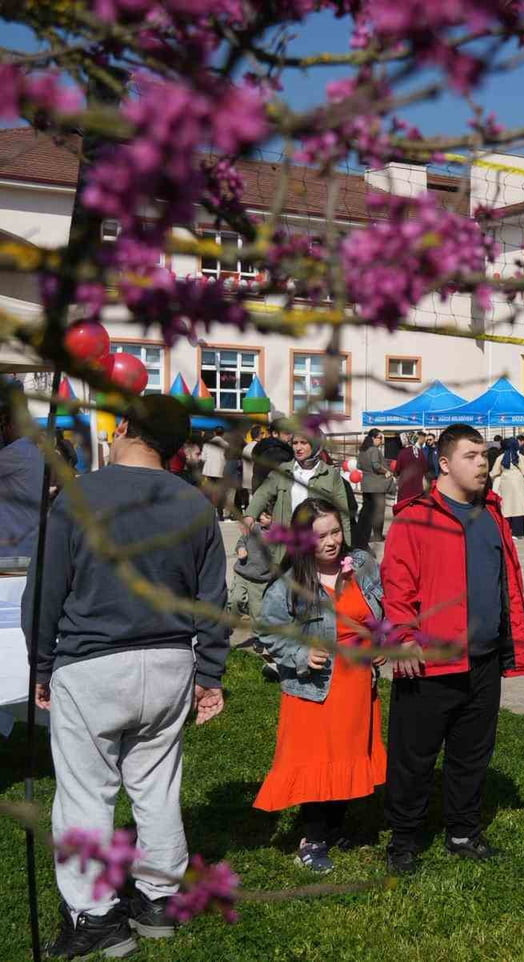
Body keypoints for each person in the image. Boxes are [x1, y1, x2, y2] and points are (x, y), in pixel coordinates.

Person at [24, 395, 227, 958]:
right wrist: (210, 672)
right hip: (169, 662)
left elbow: (45, 591)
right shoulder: (196, 504)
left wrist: (40, 663)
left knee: (86, 794)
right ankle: (158, 897)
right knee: (157, 786)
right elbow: (213, 600)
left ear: (129, 430)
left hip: (94, 659)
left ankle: (94, 916)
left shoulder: (79, 496)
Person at [381, 424, 524, 874]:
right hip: (430, 660)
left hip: (483, 657)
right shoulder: (416, 516)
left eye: (484, 454)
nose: (483, 462)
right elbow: (397, 583)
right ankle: (404, 838)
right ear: (445, 464)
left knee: (472, 751)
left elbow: (506, 579)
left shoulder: (492, 512)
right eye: (471, 455)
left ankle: (463, 830)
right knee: (414, 755)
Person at [254, 499, 387, 873]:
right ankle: (311, 839)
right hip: (314, 689)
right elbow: (268, 630)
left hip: (356, 684)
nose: (331, 542)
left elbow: (380, 611)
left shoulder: (361, 565)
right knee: (316, 764)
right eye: (320, 536)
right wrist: (299, 653)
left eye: (335, 532)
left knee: (347, 756)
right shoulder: (290, 583)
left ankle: (333, 827)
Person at [246, 429, 351, 562]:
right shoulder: (283, 470)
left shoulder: (330, 475)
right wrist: (250, 514)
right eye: (295, 443)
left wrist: (346, 548)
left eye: (304, 443)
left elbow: (343, 513)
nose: (298, 448)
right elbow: (263, 492)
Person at [0, 383, 44, 565]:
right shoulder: (30, 450)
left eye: (3, 426)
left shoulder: (17, 452)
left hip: (13, 545)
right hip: (23, 539)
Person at [229, 508, 277, 664]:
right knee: (235, 599)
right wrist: (241, 548)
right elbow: (241, 540)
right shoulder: (254, 528)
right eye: (261, 514)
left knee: (257, 613)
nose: (262, 518)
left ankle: (258, 637)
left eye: (267, 515)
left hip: (260, 580)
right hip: (242, 573)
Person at [354, 429, 393, 548]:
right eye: (380, 438)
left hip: (366, 484)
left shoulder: (362, 450)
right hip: (377, 485)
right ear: (373, 438)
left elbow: (358, 465)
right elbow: (376, 465)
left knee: (366, 510)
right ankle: (377, 535)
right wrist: (386, 471)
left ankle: (361, 532)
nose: (381, 441)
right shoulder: (374, 450)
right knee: (378, 512)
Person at [489, 437, 524, 537]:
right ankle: (519, 532)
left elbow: (494, 472)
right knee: (519, 506)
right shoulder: (520, 457)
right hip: (518, 481)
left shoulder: (501, 457)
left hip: (505, 481)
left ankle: (507, 530)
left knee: (507, 506)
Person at [251, 420, 294, 492]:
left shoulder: (265, 447)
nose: (291, 436)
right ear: (275, 433)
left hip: (260, 494)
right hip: (271, 498)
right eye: (287, 433)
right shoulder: (277, 453)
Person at [200, 427, 230, 520]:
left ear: (214, 433)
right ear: (223, 434)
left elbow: (203, 458)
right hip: (221, 471)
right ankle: (220, 513)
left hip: (209, 471)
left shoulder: (207, 444)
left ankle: (209, 512)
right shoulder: (226, 444)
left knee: (210, 491)